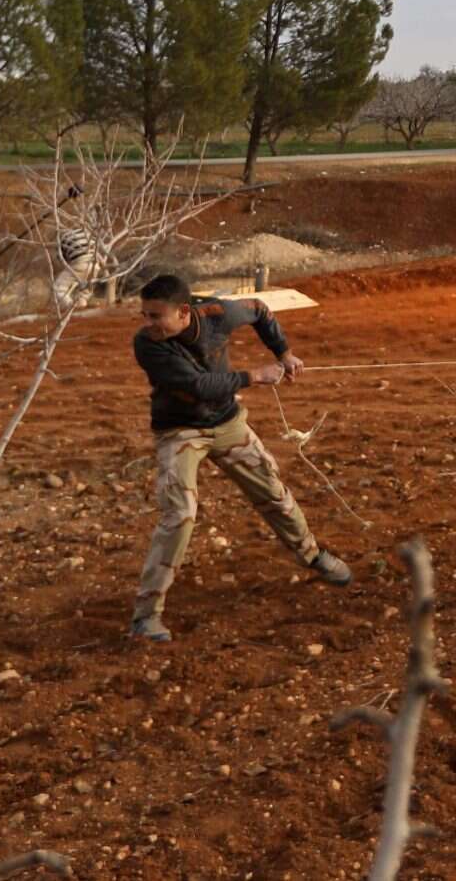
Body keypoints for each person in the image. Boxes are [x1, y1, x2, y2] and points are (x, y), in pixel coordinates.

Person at [128, 272, 351, 643]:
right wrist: (256, 375)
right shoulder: (148, 345)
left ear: (184, 312)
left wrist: (284, 353)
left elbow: (261, 310)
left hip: (228, 424)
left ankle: (312, 555)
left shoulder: (219, 314)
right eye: (144, 315)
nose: (146, 324)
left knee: (274, 494)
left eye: (155, 316)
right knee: (180, 514)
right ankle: (146, 616)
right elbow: (198, 387)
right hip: (180, 431)